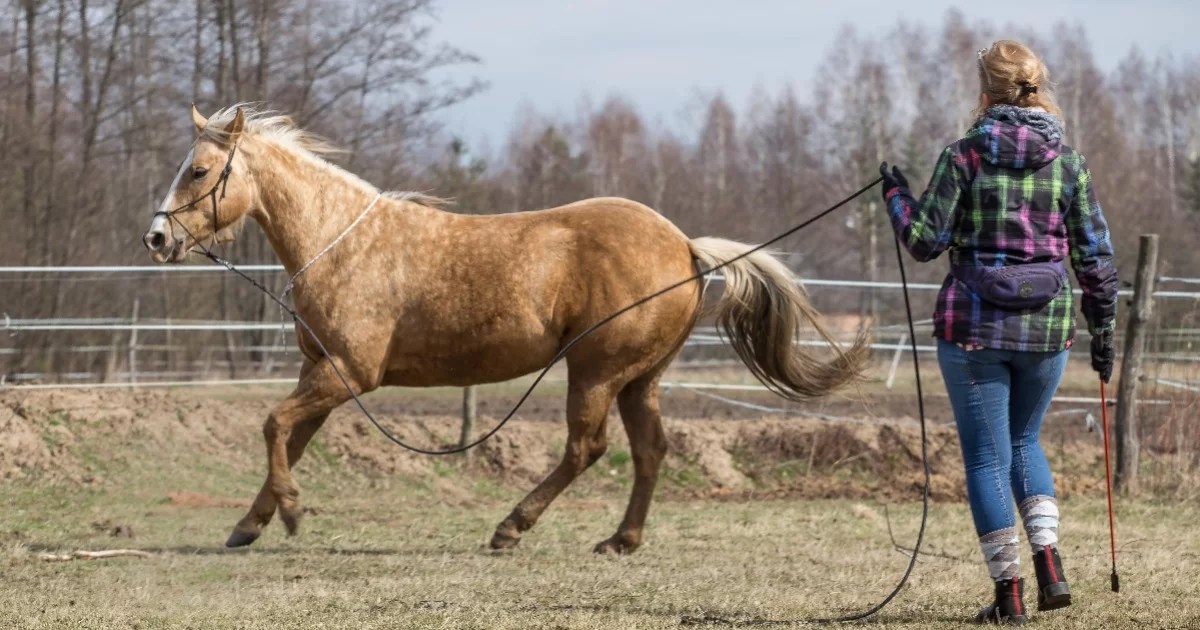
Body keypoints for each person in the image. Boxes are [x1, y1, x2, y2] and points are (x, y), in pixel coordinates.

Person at [879, 40, 1119, 625]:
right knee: (1024, 443)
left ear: (984, 93)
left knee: (987, 459)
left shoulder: (963, 157)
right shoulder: (1070, 163)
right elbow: (1094, 256)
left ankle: (1009, 596)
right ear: (1037, 89)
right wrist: (1104, 328)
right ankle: (1050, 564)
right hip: (1048, 331)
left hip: (974, 330)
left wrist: (896, 196)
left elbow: (924, 241)